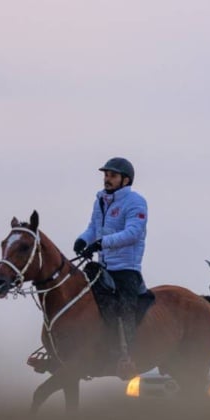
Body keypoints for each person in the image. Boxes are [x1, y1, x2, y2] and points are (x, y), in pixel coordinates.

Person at [74, 157, 148, 380]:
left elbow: (133, 233)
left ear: (125, 180)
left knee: (124, 309)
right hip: (102, 266)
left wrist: (101, 243)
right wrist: (83, 240)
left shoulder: (136, 202)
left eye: (112, 176)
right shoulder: (100, 200)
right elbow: (92, 229)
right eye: (106, 175)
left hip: (126, 269)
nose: (107, 179)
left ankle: (127, 357)